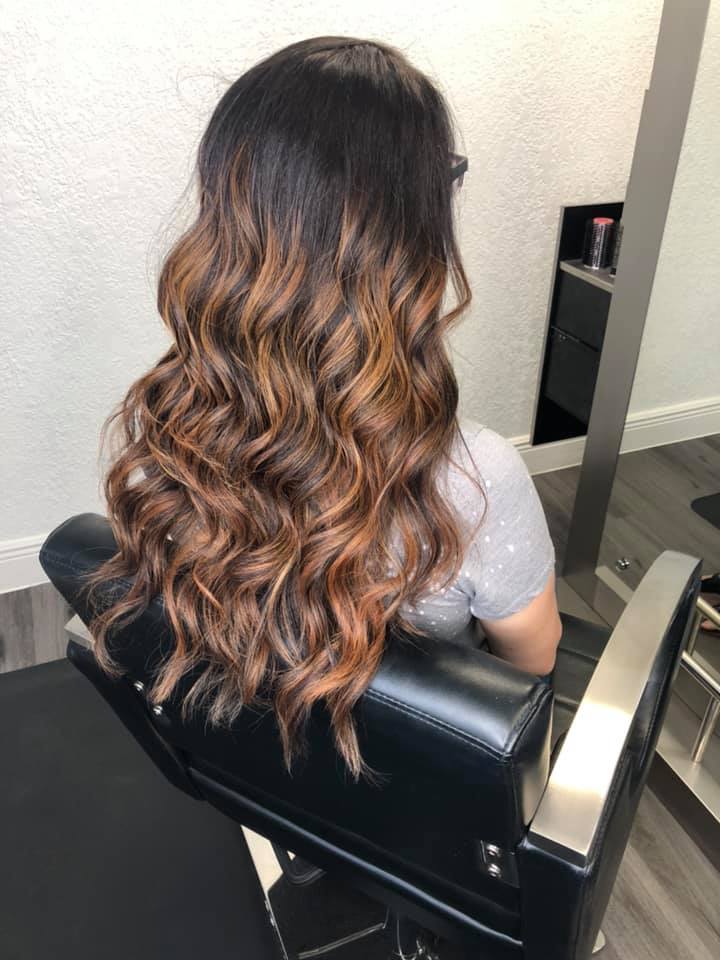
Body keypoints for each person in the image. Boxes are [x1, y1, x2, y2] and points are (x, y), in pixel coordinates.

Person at [83, 36, 561, 779]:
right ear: (407, 231)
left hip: (253, 764)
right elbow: (531, 666)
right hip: (405, 783)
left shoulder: (175, 425)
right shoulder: (477, 478)